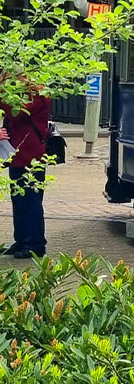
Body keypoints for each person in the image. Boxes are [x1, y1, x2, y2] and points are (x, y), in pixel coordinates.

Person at [0, 83, 51, 258]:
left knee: (30, 199)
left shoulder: (37, 91)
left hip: (31, 155)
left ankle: (35, 244)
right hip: (18, 154)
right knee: (19, 198)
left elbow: (17, 112)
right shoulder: (22, 91)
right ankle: (22, 239)